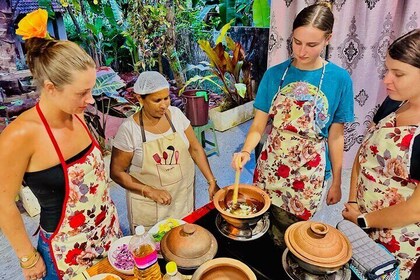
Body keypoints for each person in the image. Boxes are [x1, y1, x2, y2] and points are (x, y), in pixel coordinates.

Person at [0, 10, 121, 280]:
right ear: (51, 88)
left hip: (108, 233)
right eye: (82, 92)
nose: (90, 100)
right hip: (66, 251)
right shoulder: (19, 136)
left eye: (90, 90)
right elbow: (2, 201)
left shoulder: (77, 114)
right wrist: (27, 258)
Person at [231, 2, 354, 244]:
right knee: (263, 222)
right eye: (297, 42)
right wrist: (245, 151)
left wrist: (337, 182)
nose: (301, 51)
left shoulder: (339, 79)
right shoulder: (275, 74)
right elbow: (258, 126)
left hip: (309, 172)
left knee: (294, 233)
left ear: (327, 39)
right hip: (272, 165)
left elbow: (336, 135)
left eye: (311, 44)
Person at [342, 29, 420, 280]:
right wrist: (353, 202)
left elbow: (415, 210)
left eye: (398, 74)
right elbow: (364, 152)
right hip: (361, 219)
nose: (387, 80)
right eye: (387, 70)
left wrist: (364, 220)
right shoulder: (394, 103)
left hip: (394, 238)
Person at [110, 71, 220, 232]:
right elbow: (117, 172)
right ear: (140, 98)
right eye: (157, 100)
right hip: (150, 206)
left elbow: (195, 148)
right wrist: (149, 191)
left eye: (166, 98)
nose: (164, 105)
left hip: (182, 198)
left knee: (183, 241)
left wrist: (212, 181)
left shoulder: (176, 115)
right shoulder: (129, 130)